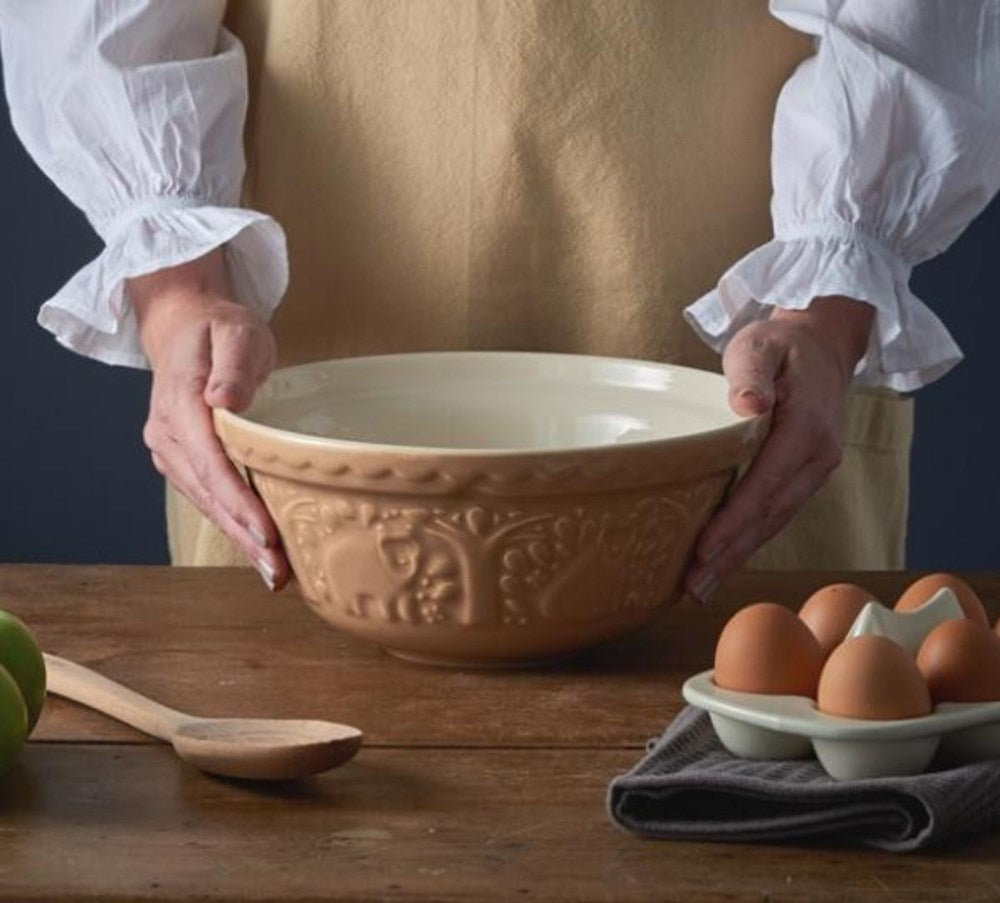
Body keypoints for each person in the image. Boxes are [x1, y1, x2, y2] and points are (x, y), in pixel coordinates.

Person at [2, 0, 998, 603]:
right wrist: (181, 299)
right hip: (301, 397)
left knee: (761, 877)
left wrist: (824, 316)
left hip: (753, 376)